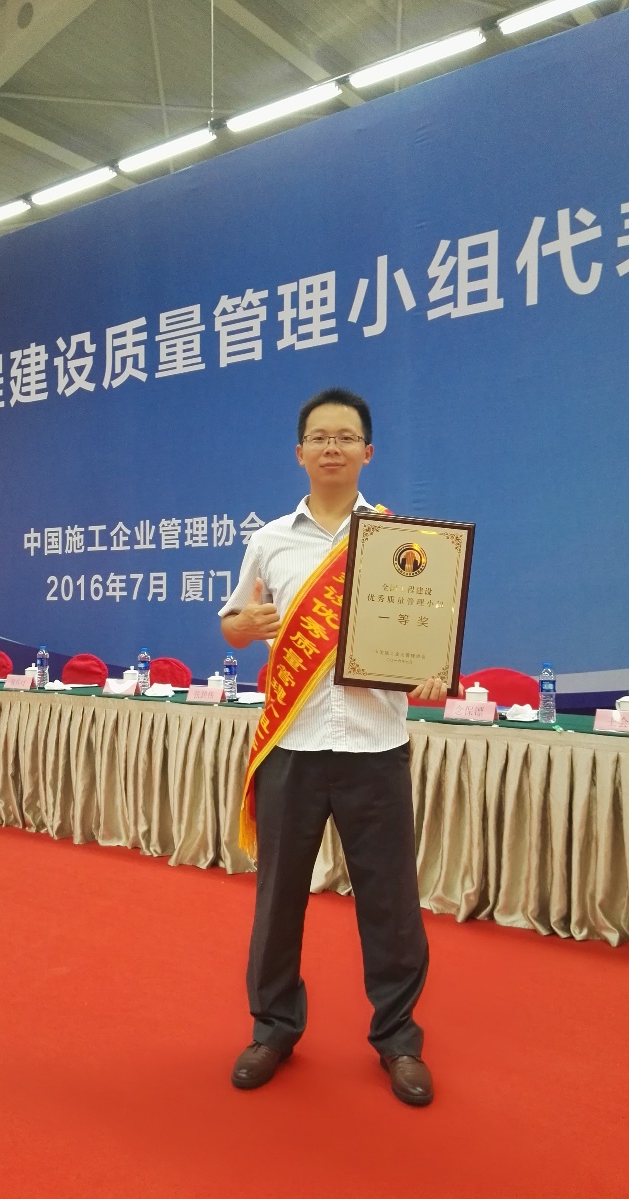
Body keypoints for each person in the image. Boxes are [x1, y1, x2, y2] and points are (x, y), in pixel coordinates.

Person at [219, 387, 447, 1107]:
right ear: (299, 452)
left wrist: (431, 671)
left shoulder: (399, 541)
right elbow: (233, 620)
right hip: (293, 744)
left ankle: (398, 1039)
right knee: (278, 897)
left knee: (390, 902)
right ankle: (273, 1027)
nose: (331, 447)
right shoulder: (269, 541)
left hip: (376, 745)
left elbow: (424, 631)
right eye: (319, 437)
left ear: (367, 452)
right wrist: (240, 626)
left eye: (345, 437)